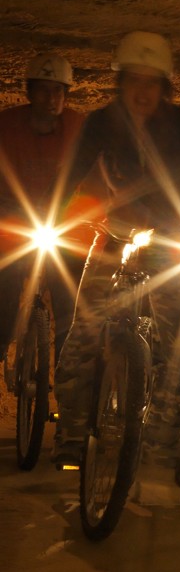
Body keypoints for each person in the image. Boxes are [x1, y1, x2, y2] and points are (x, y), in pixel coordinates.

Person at [51, 31, 180, 506]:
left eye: (152, 82)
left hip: (170, 241)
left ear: (164, 86)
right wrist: (51, 216)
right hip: (116, 233)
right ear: (120, 82)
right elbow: (71, 174)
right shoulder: (101, 123)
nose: (143, 91)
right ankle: (73, 432)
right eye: (134, 81)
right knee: (84, 331)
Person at [0, 53, 85, 369]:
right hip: (13, 219)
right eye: (44, 90)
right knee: (6, 285)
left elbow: (97, 177)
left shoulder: (77, 127)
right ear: (29, 92)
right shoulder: (7, 126)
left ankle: (67, 371)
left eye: (58, 91)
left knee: (69, 298)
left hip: (57, 222)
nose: (52, 99)